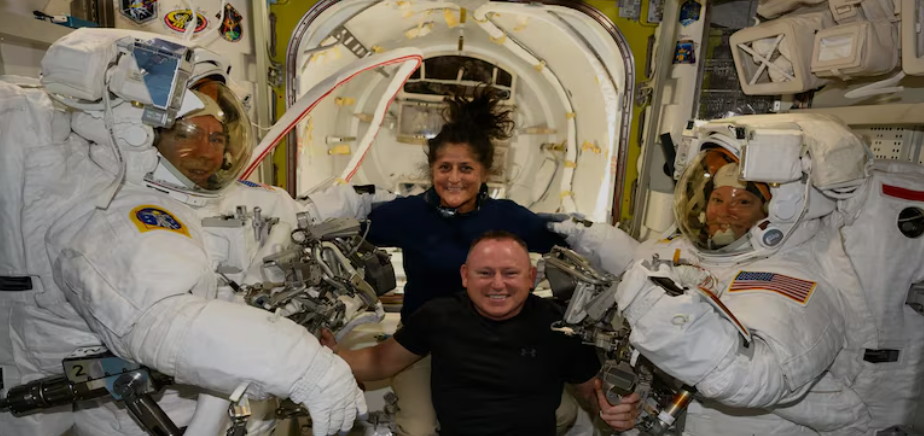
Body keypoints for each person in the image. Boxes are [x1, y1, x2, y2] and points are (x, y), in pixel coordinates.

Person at [0, 29, 399, 436]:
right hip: (115, 407)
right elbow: (166, 319)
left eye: (217, 138)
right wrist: (306, 368)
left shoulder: (190, 192)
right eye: (187, 136)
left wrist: (359, 200)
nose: (208, 154)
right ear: (139, 134)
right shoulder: (115, 212)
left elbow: (290, 211)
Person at [582, 116, 919, 435]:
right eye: (716, 198)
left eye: (742, 202)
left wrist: (671, 325)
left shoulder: (797, 281)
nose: (722, 211)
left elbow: (755, 375)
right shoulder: (689, 250)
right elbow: (637, 267)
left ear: (775, 213)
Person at [351, 87, 589, 436]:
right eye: (444, 167)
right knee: (418, 429)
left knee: (560, 414)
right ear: (431, 169)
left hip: (499, 339)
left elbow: (564, 243)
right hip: (421, 343)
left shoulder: (508, 218)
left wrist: (597, 241)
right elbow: (351, 235)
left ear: (484, 172)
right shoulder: (406, 214)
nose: (454, 178)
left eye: (466, 168)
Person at [323, 230, 640, 436]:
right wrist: (326, 356)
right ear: (465, 276)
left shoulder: (559, 326)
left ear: (531, 277)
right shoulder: (439, 316)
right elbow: (380, 361)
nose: (498, 284)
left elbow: (592, 392)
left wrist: (615, 411)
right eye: (485, 273)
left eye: (511, 273)